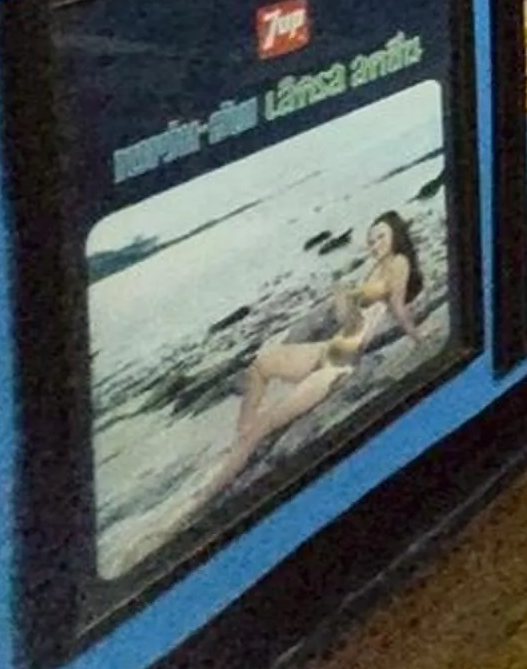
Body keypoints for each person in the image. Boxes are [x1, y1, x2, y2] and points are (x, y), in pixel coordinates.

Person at [184, 213, 432, 521]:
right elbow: (349, 321)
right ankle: (242, 434)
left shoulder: (399, 264)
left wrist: (419, 337)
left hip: (340, 364)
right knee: (261, 364)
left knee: (264, 427)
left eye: (381, 236)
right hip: (329, 349)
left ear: (396, 235)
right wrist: (344, 299)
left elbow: (396, 308)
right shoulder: (375, 267)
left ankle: (203, 498)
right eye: (371, 239)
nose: (375, 243)